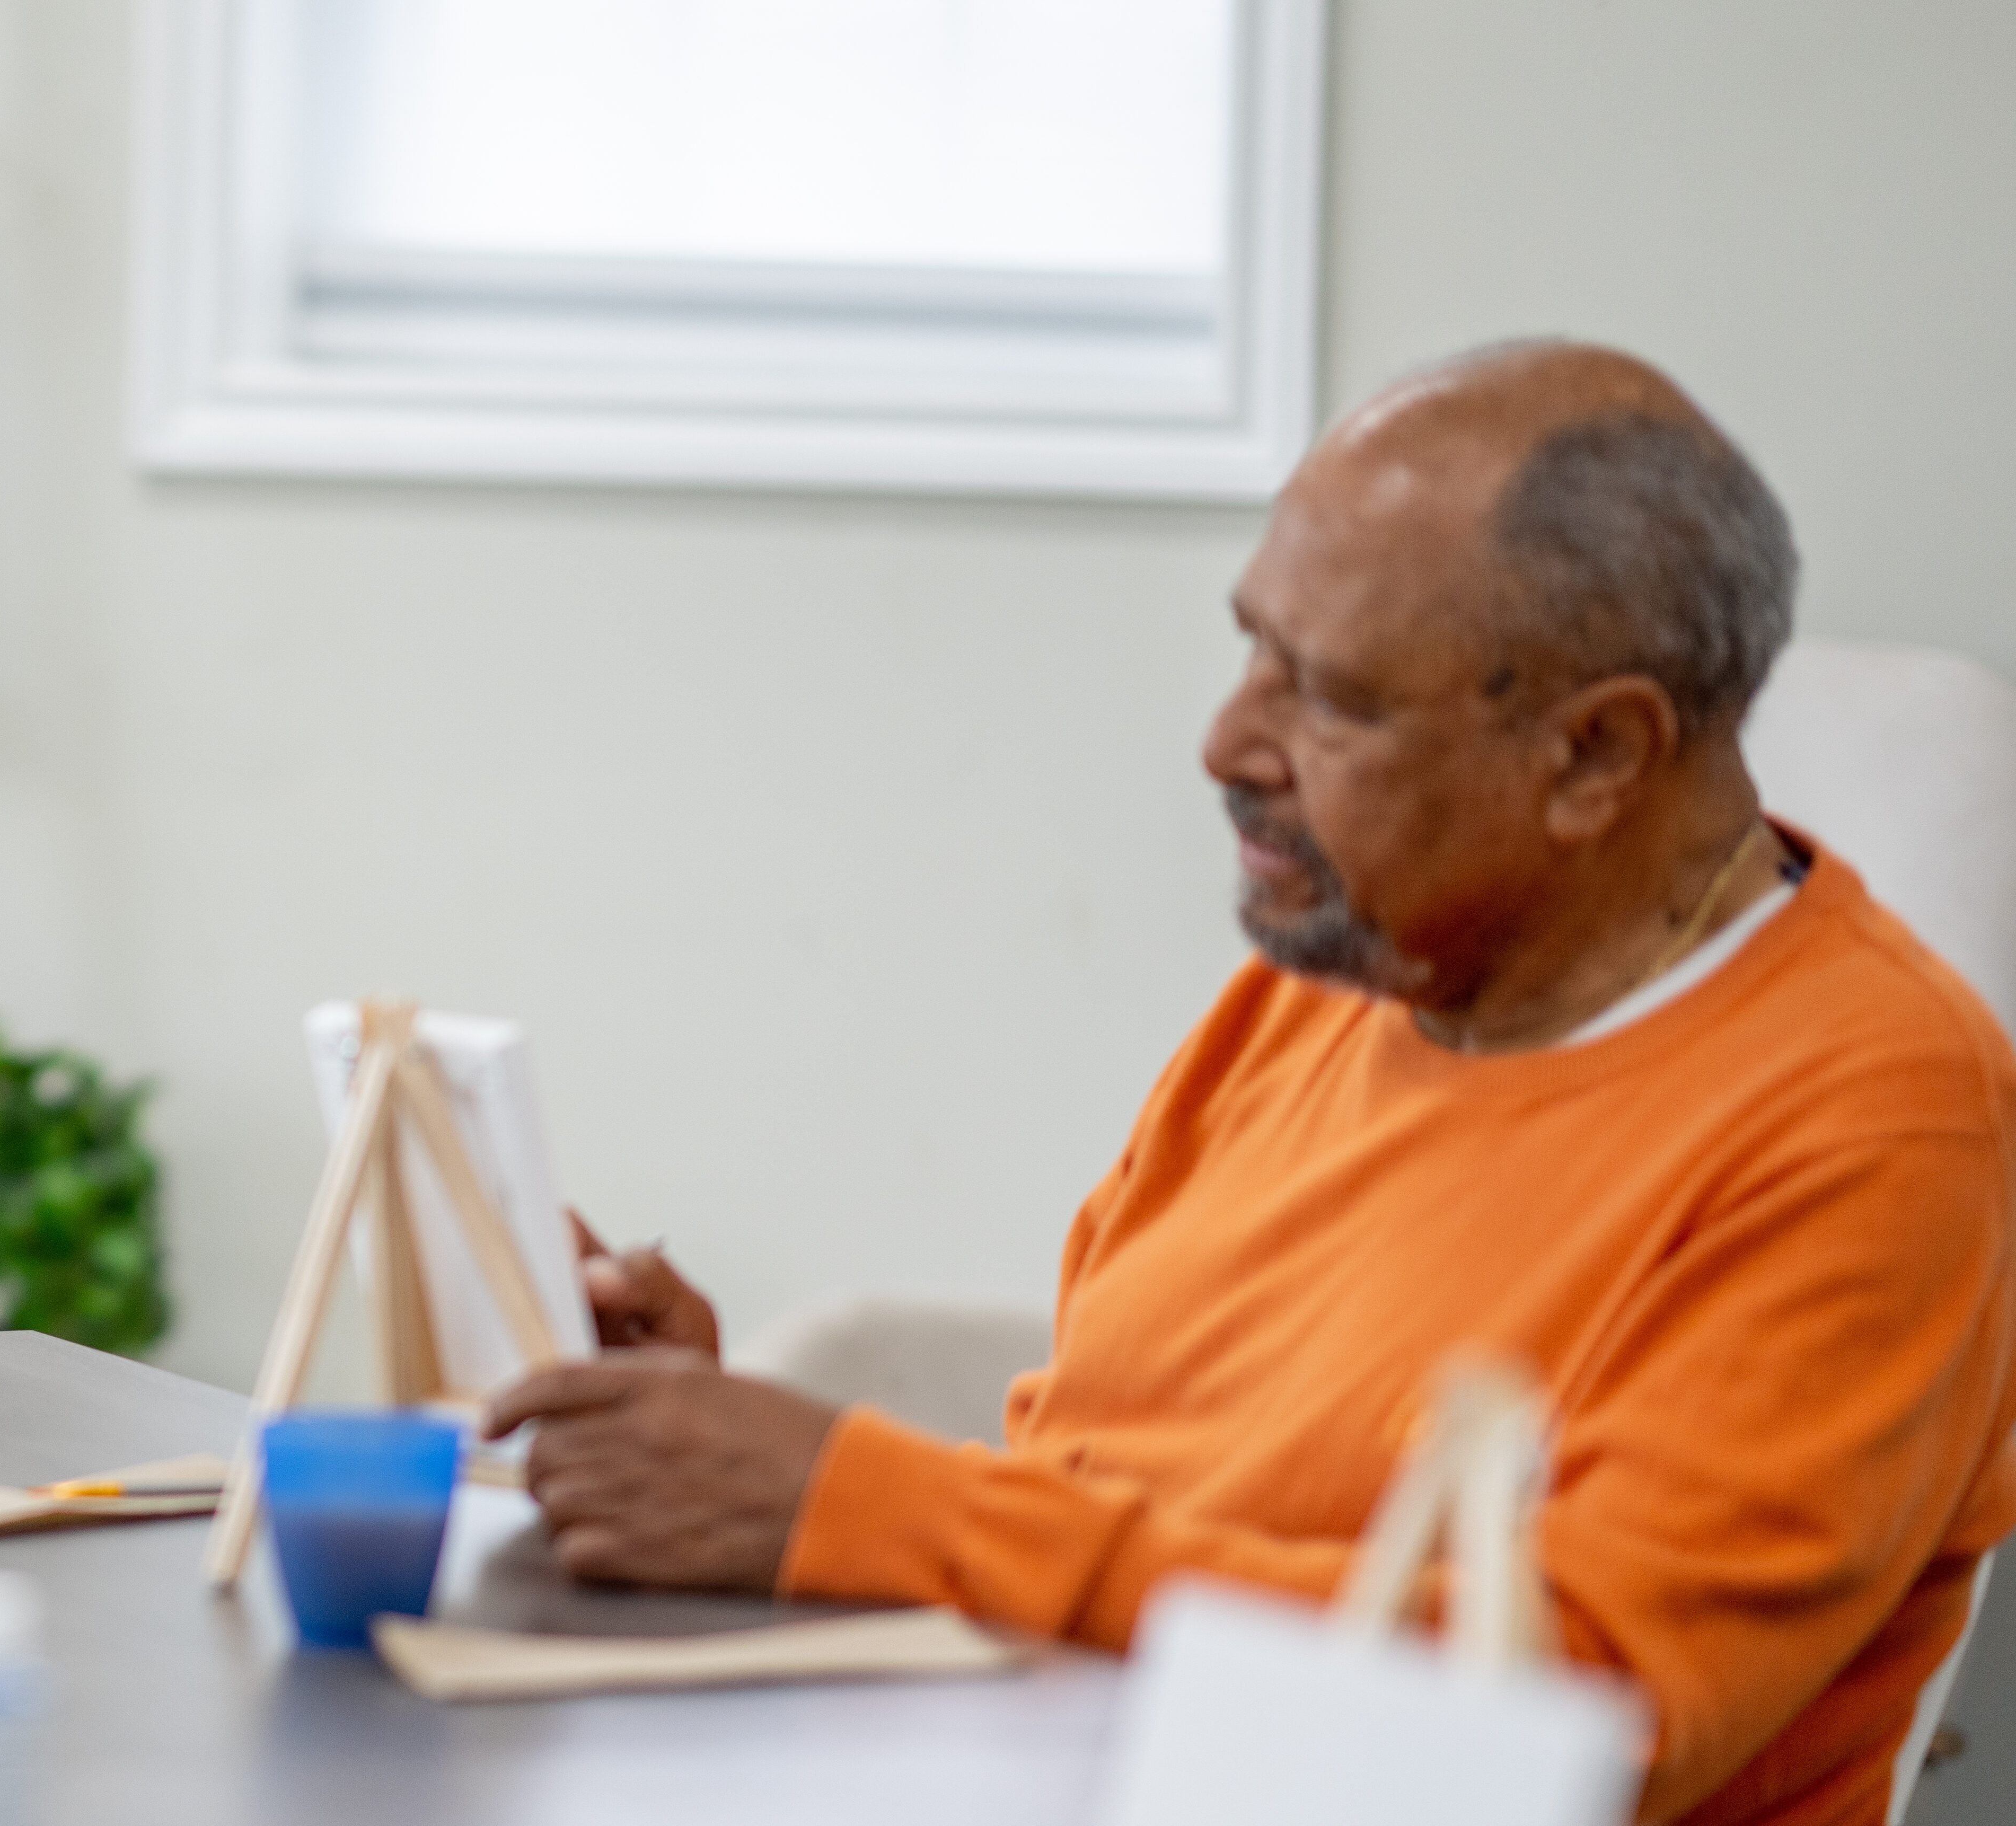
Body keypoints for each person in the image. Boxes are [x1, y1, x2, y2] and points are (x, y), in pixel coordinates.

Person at [491, 343, 2014, 1826]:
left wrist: (866, 1507)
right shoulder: (1335, 979)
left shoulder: (1884, 1120)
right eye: (1252, 647)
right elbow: (1112, 1499)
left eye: (1332, 697)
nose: (1229, 738)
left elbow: (1590, 1708)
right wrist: (742, 1461)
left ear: (1598, 754)